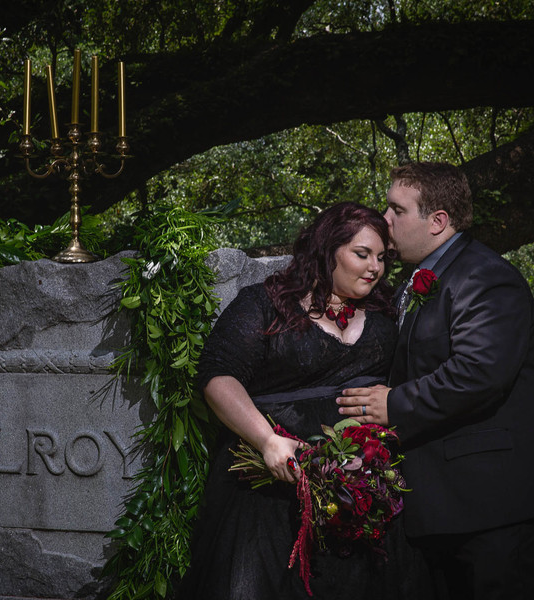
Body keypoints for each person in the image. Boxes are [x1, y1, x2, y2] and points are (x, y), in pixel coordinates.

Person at [176, 202, 429, 600]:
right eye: (362, 254)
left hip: (361, 490)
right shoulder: (265, 303)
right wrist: (266, 440)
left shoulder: (384, 315)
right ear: (328, 251)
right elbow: (217, 377)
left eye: (381, 257)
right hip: (272, 489)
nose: (375, 267)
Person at [337, 162, 534, 600]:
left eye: (396, 210)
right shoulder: (420, 278)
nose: (384, 220)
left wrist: (395, 405)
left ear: (438, 221)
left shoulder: (486, 277)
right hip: (442, 500)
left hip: (490, 500)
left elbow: (479, 374)